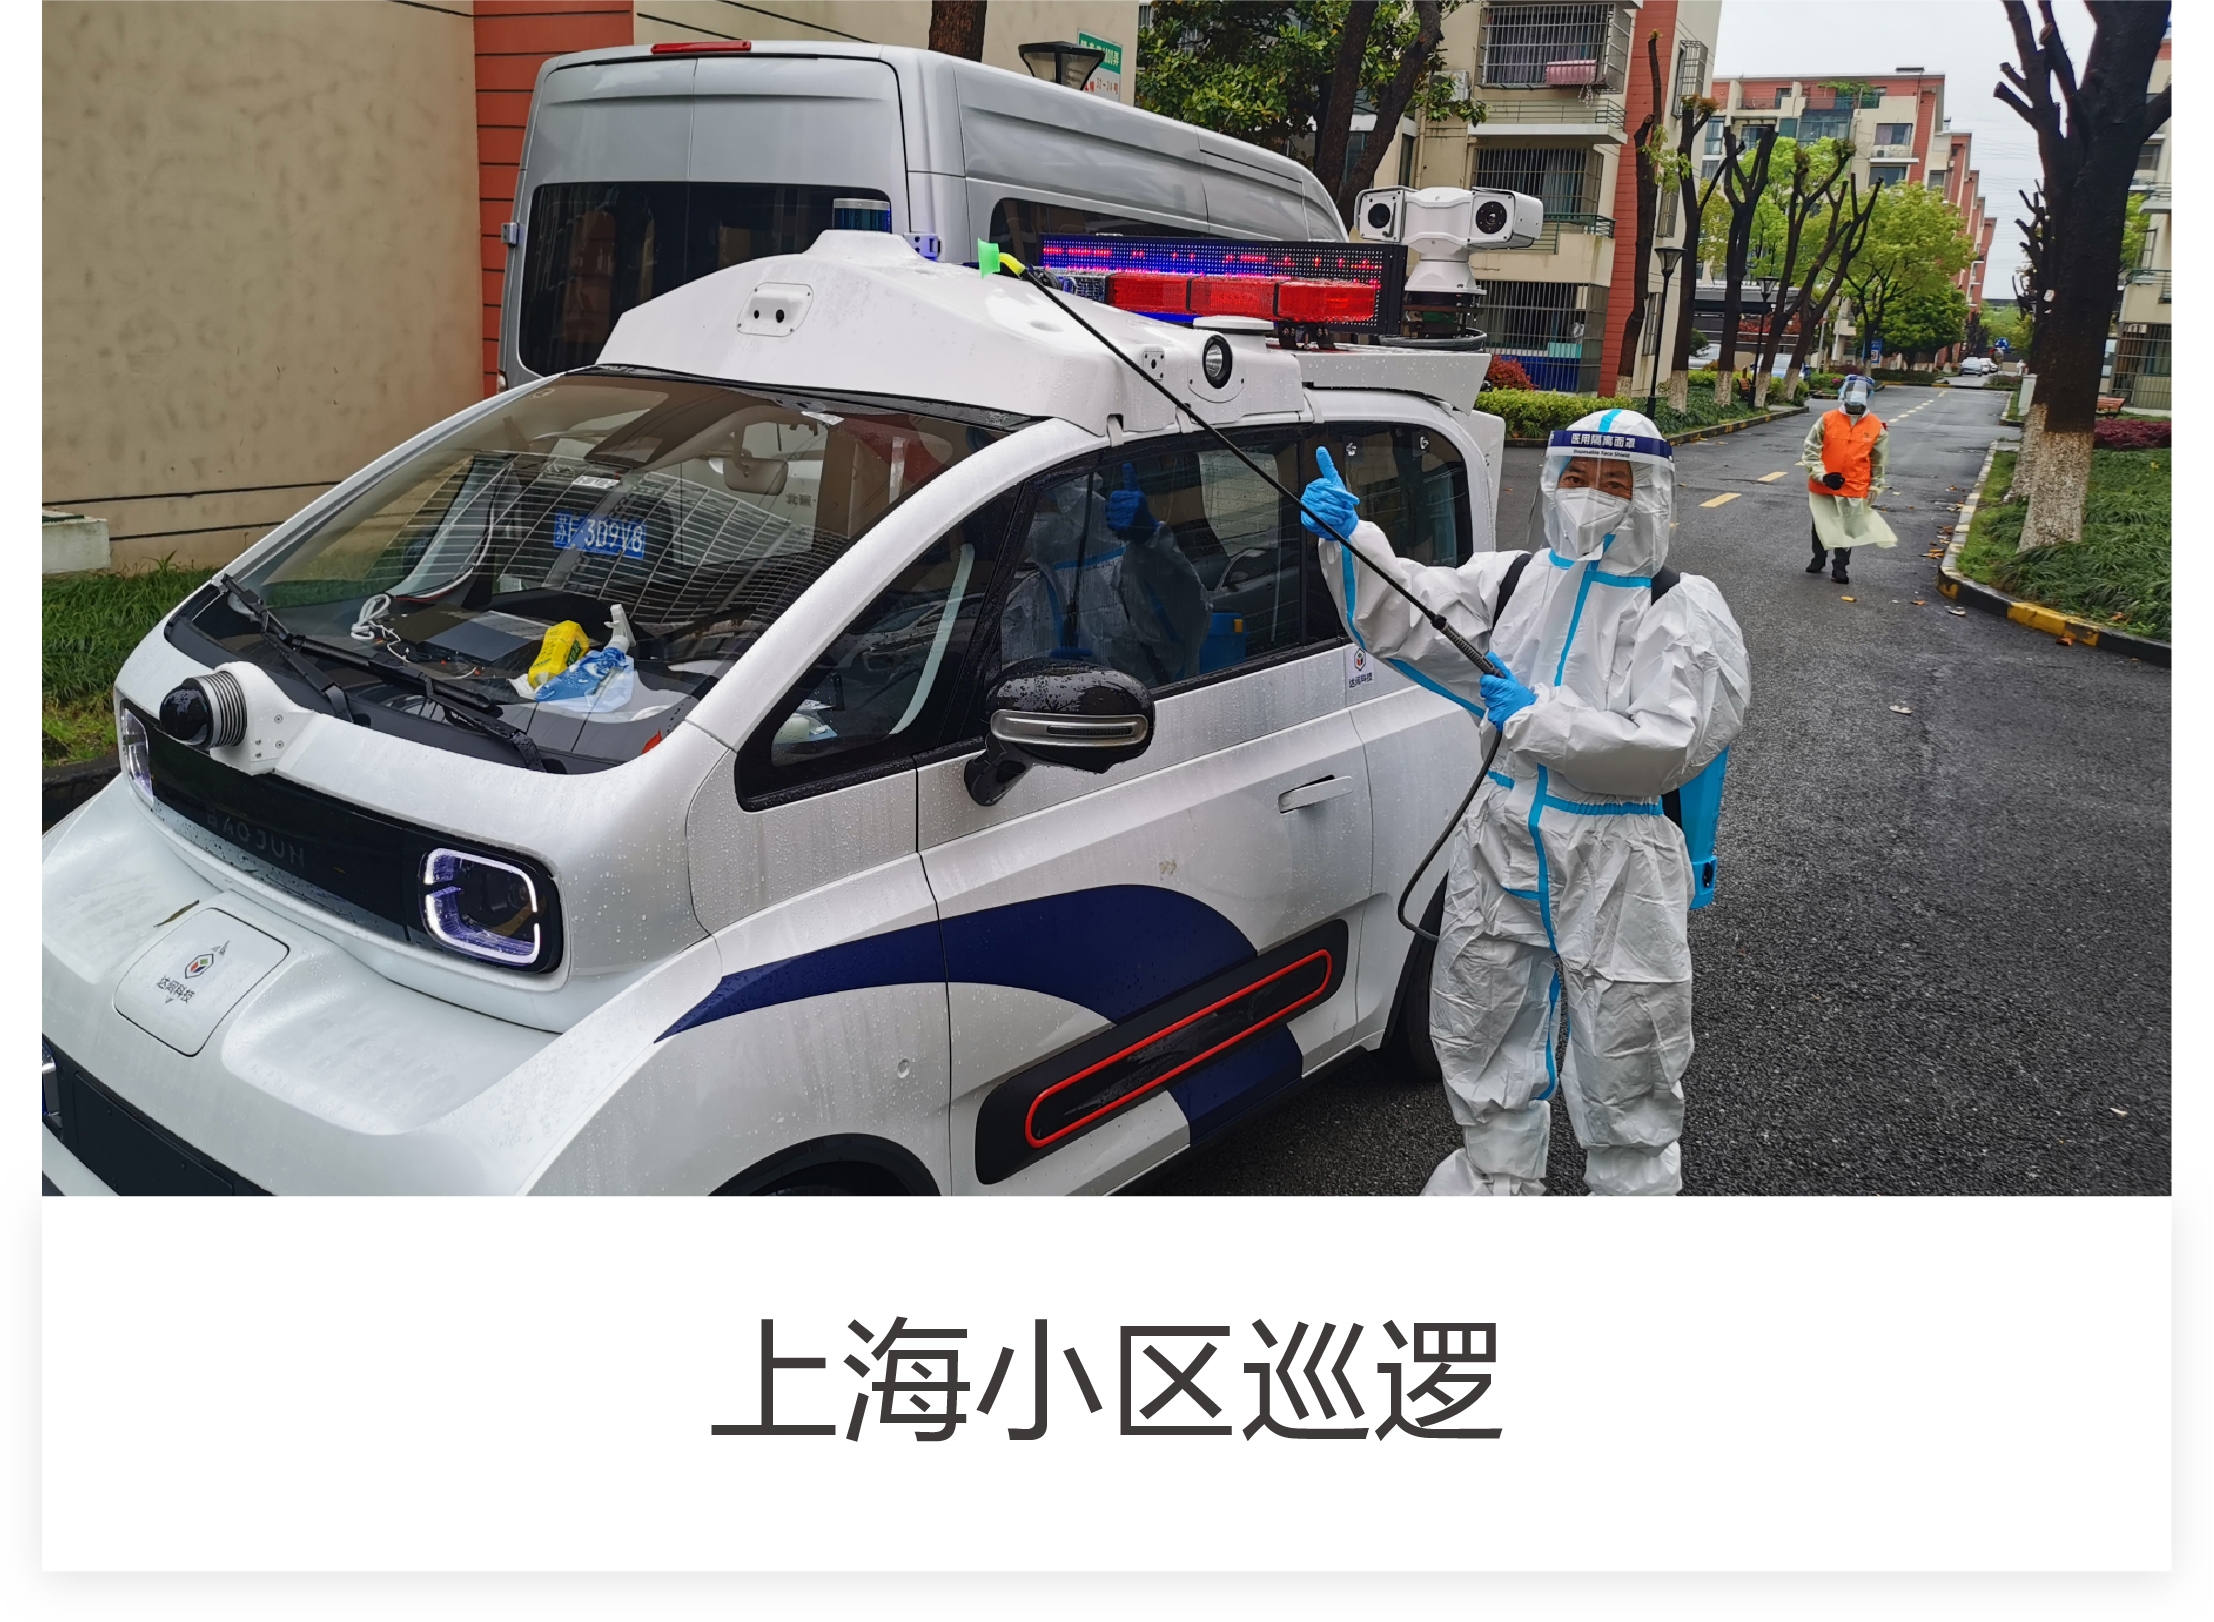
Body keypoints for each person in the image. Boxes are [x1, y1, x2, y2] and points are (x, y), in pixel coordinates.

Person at [1306, 410, 1749, 1196]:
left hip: (1616, 851)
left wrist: (1537, 719)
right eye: (1576, 477)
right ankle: (1496, 1186)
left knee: (1629, 1050)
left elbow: (1670, 744)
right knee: (1481, 1022)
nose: (1591, 496)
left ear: (1651, 493)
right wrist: (1351, 543)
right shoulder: (1514, 579)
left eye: (1614, 482)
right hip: (1501, 833)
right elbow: (1411, 612)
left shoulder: (1681, 606)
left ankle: (1632, 1197)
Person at [999, 462, 1210, 686]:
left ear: (1071, 502)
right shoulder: (1030, 590)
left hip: (1154, 705)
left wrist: (1150, 540)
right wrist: (1041, 675)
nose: (1028, 517)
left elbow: (1186, 613)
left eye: (1039, 504)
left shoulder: (1127, 568)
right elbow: (1006, 676)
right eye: (1017, 508)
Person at [1802, 374, 1897, 584]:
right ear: (1843, 394)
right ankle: (1818, 558)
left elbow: (1879, 461)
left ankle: (1840, 567)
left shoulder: (1876, 427)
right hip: (1825, 484)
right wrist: (1822, 476)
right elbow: (1811, 450)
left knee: (1848, 526)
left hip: (1855, 484)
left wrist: (1875, 486)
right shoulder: (1826, 420)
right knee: (1822, 523)